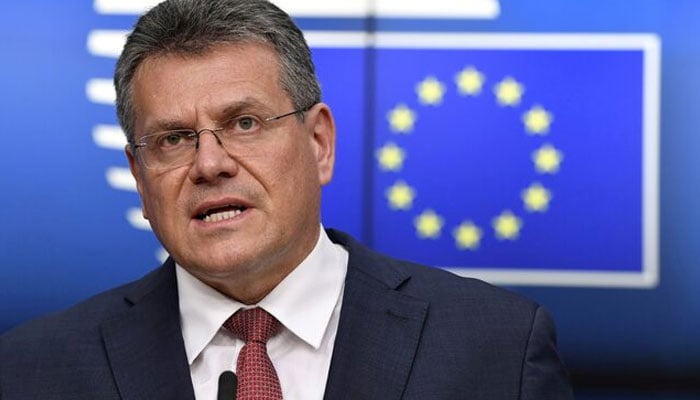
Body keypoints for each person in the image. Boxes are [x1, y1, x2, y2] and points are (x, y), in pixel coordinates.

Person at [0, 0, 574, 398]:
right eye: (173, 139)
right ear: (139, 174)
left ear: (319, 142)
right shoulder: (33, 371)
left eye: (245, 123)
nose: (209, 163)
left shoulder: (494, 348)